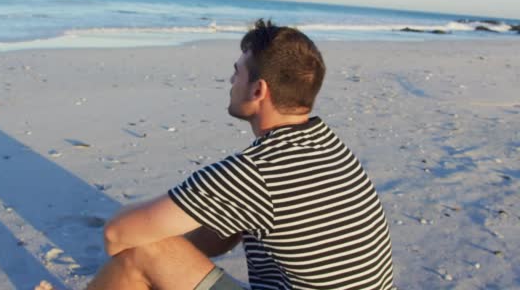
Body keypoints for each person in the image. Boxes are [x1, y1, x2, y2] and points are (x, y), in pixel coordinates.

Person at [36, 19, 393, 290]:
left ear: (258, 89)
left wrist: (153, 239)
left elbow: (116, 235)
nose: (230, 81)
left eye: (236, 72)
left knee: (142, 252)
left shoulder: (258, 172)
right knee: (159, 244)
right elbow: (224, 234)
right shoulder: (326, 145)